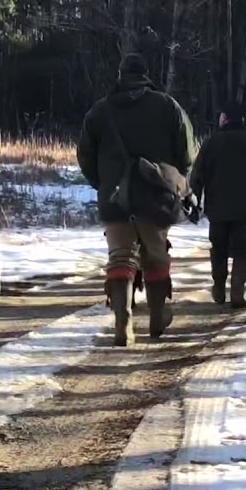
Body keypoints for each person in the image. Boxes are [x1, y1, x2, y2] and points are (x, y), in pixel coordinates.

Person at [78, 53, 195, 346]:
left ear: (120, 75)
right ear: (146, 74)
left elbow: (85, 156)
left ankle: (123, 323)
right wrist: (176, 180)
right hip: (155, 196)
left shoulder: (99, 111)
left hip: (115, 197)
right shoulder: (168, 106)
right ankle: (157, 316)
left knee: (120, 257)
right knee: (156, 256)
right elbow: (187, 153)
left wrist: (104, 183)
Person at [189, 102, 246, 308]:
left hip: (217, 207)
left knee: (219, 248)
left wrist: (195, 201)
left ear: (225, 119)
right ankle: (237, 292)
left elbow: (197, 175)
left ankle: (218, 286)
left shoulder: (211, 143)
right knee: (242, 250)